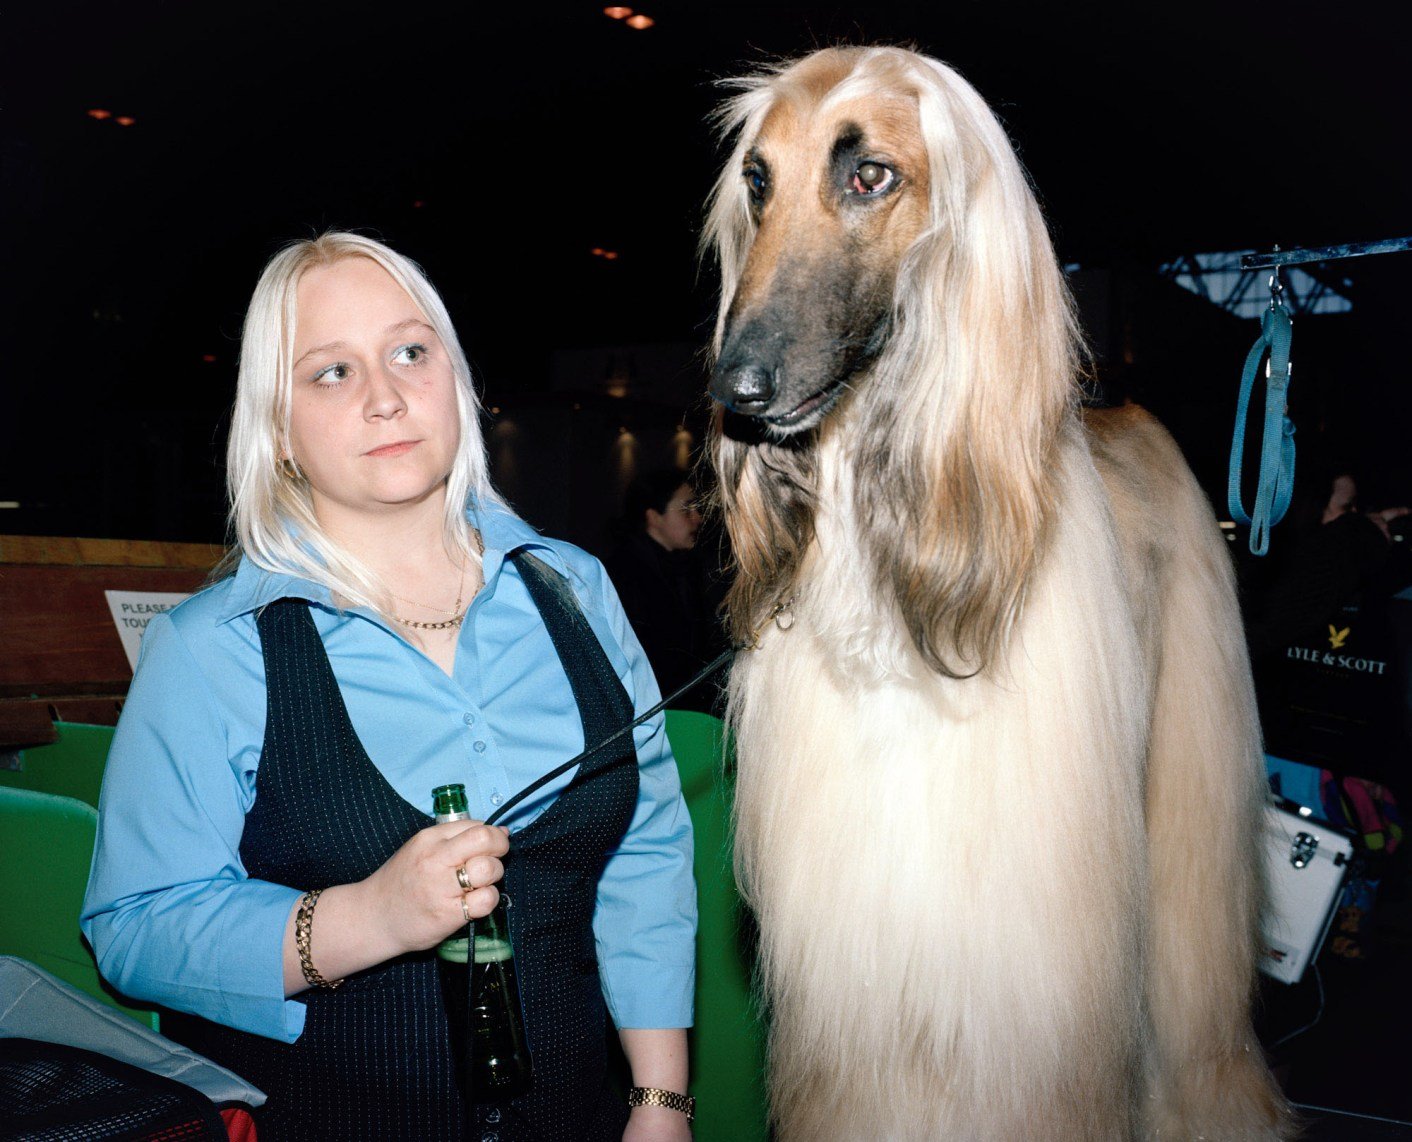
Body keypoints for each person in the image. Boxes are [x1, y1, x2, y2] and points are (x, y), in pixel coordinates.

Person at [81, 233, 697, 1141]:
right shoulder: (213, 646)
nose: (385, 396)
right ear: (278, 433)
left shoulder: (577, 589)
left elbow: (647, 851)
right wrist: (366, 918)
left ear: (455, 380)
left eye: (411, 351)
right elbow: (134, 928)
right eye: (331, 372)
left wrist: (660, 1100)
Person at [605, 471, 726, 714]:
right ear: (654, 517)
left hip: (683, 712)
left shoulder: (686, 567)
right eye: (686, 510)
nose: (697, 518)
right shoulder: (624, 573)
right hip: (650, 715)